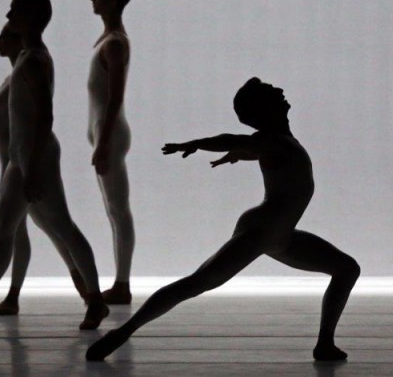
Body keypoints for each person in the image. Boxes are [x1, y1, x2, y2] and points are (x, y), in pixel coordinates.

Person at [86, 77, 360, 362]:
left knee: (346, 268)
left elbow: (253, 150)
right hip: (261, 231)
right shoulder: (271, 140)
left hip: (282, 235)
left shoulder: (278, 142)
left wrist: (238, 155)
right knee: (198, 282)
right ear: (264, 110)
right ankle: (122, 332)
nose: (280, 91)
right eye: (271, 92)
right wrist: (199, 144)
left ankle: (325, 344)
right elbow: (235, 141)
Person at [0, 0, 109, 331]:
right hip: (21, 160)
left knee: (59, 226)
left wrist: (32, 167)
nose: (7, 17)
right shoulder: (27, 58)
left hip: (35, 158)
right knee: (8, 229)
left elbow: (45, 118)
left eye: (13, 11)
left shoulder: (35, 59)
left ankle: (94, 299)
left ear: (30, 17)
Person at [0, 23, 88, 316]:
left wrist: (27, 167)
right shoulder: (13, 78)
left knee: (51, 227)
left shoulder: (24, 74)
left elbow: (42, 116)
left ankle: (15, 294)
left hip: (21, 164)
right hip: (12, 164)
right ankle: (81, 288)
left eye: (4, 35)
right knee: (44, 228)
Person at [88, 0, 136, 304]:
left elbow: (115, 96)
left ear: (113, 1)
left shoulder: (115, 43)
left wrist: (104, 141)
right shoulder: (107, 39)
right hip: (105, 134)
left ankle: (122, 284)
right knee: (113, 210)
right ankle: (120, 282)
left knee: (119, 210)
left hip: (112, 135)